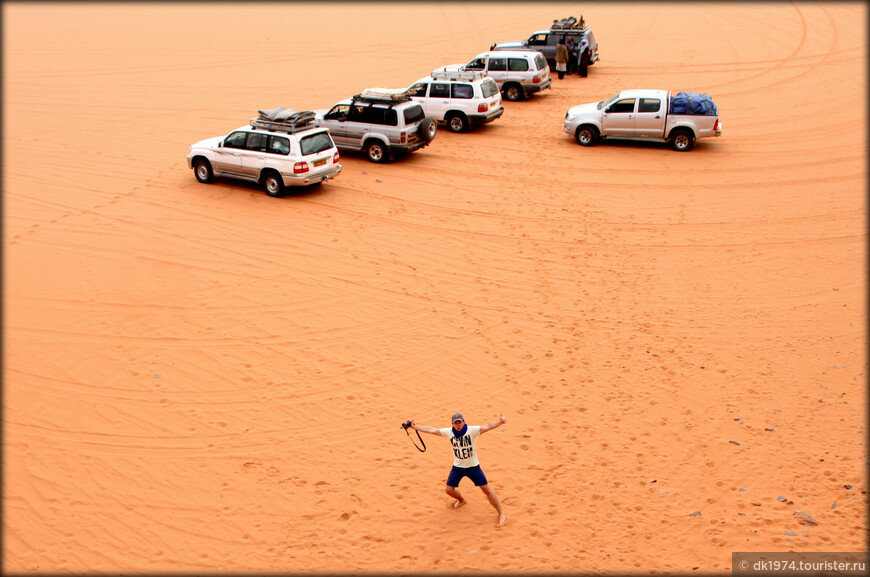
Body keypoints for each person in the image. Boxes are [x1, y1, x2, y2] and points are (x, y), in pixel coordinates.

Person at [410, 412, 507, 526]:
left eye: (459, 422)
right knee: (449, 490)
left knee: (487, 490)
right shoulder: (449, 432)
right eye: (456, 423)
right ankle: (461, 500)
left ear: (463, 422)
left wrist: (499, 423)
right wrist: (414, 427)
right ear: (452, 424)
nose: (458, 425)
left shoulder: (472, 430)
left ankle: (501, 513)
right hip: (458, 467)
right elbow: (432, 430)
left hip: (473, 467)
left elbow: (487, 427)